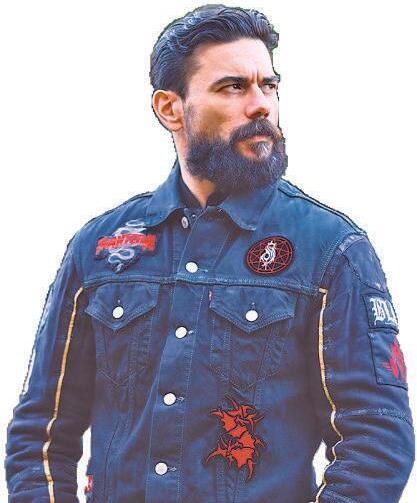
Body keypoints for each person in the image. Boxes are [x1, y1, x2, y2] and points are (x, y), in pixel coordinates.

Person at [5, 4, 415, 502]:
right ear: (170, 108)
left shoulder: (331, 250)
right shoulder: (99, 248)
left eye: (269, 85)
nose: (261, 105)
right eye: (233, 87)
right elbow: (41, 431)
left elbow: (377, 439)